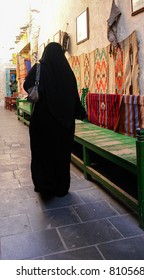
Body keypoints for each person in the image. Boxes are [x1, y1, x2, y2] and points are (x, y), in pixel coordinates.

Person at [23, 42, 87, 197]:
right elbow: (74, 96)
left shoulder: (39, 69)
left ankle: (44, 185)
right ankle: (61, 187)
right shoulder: (67, 72)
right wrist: (80, 113)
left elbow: (27, 85)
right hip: (64, 125)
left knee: (42, 153)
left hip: (42, 123)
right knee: (62, 155)